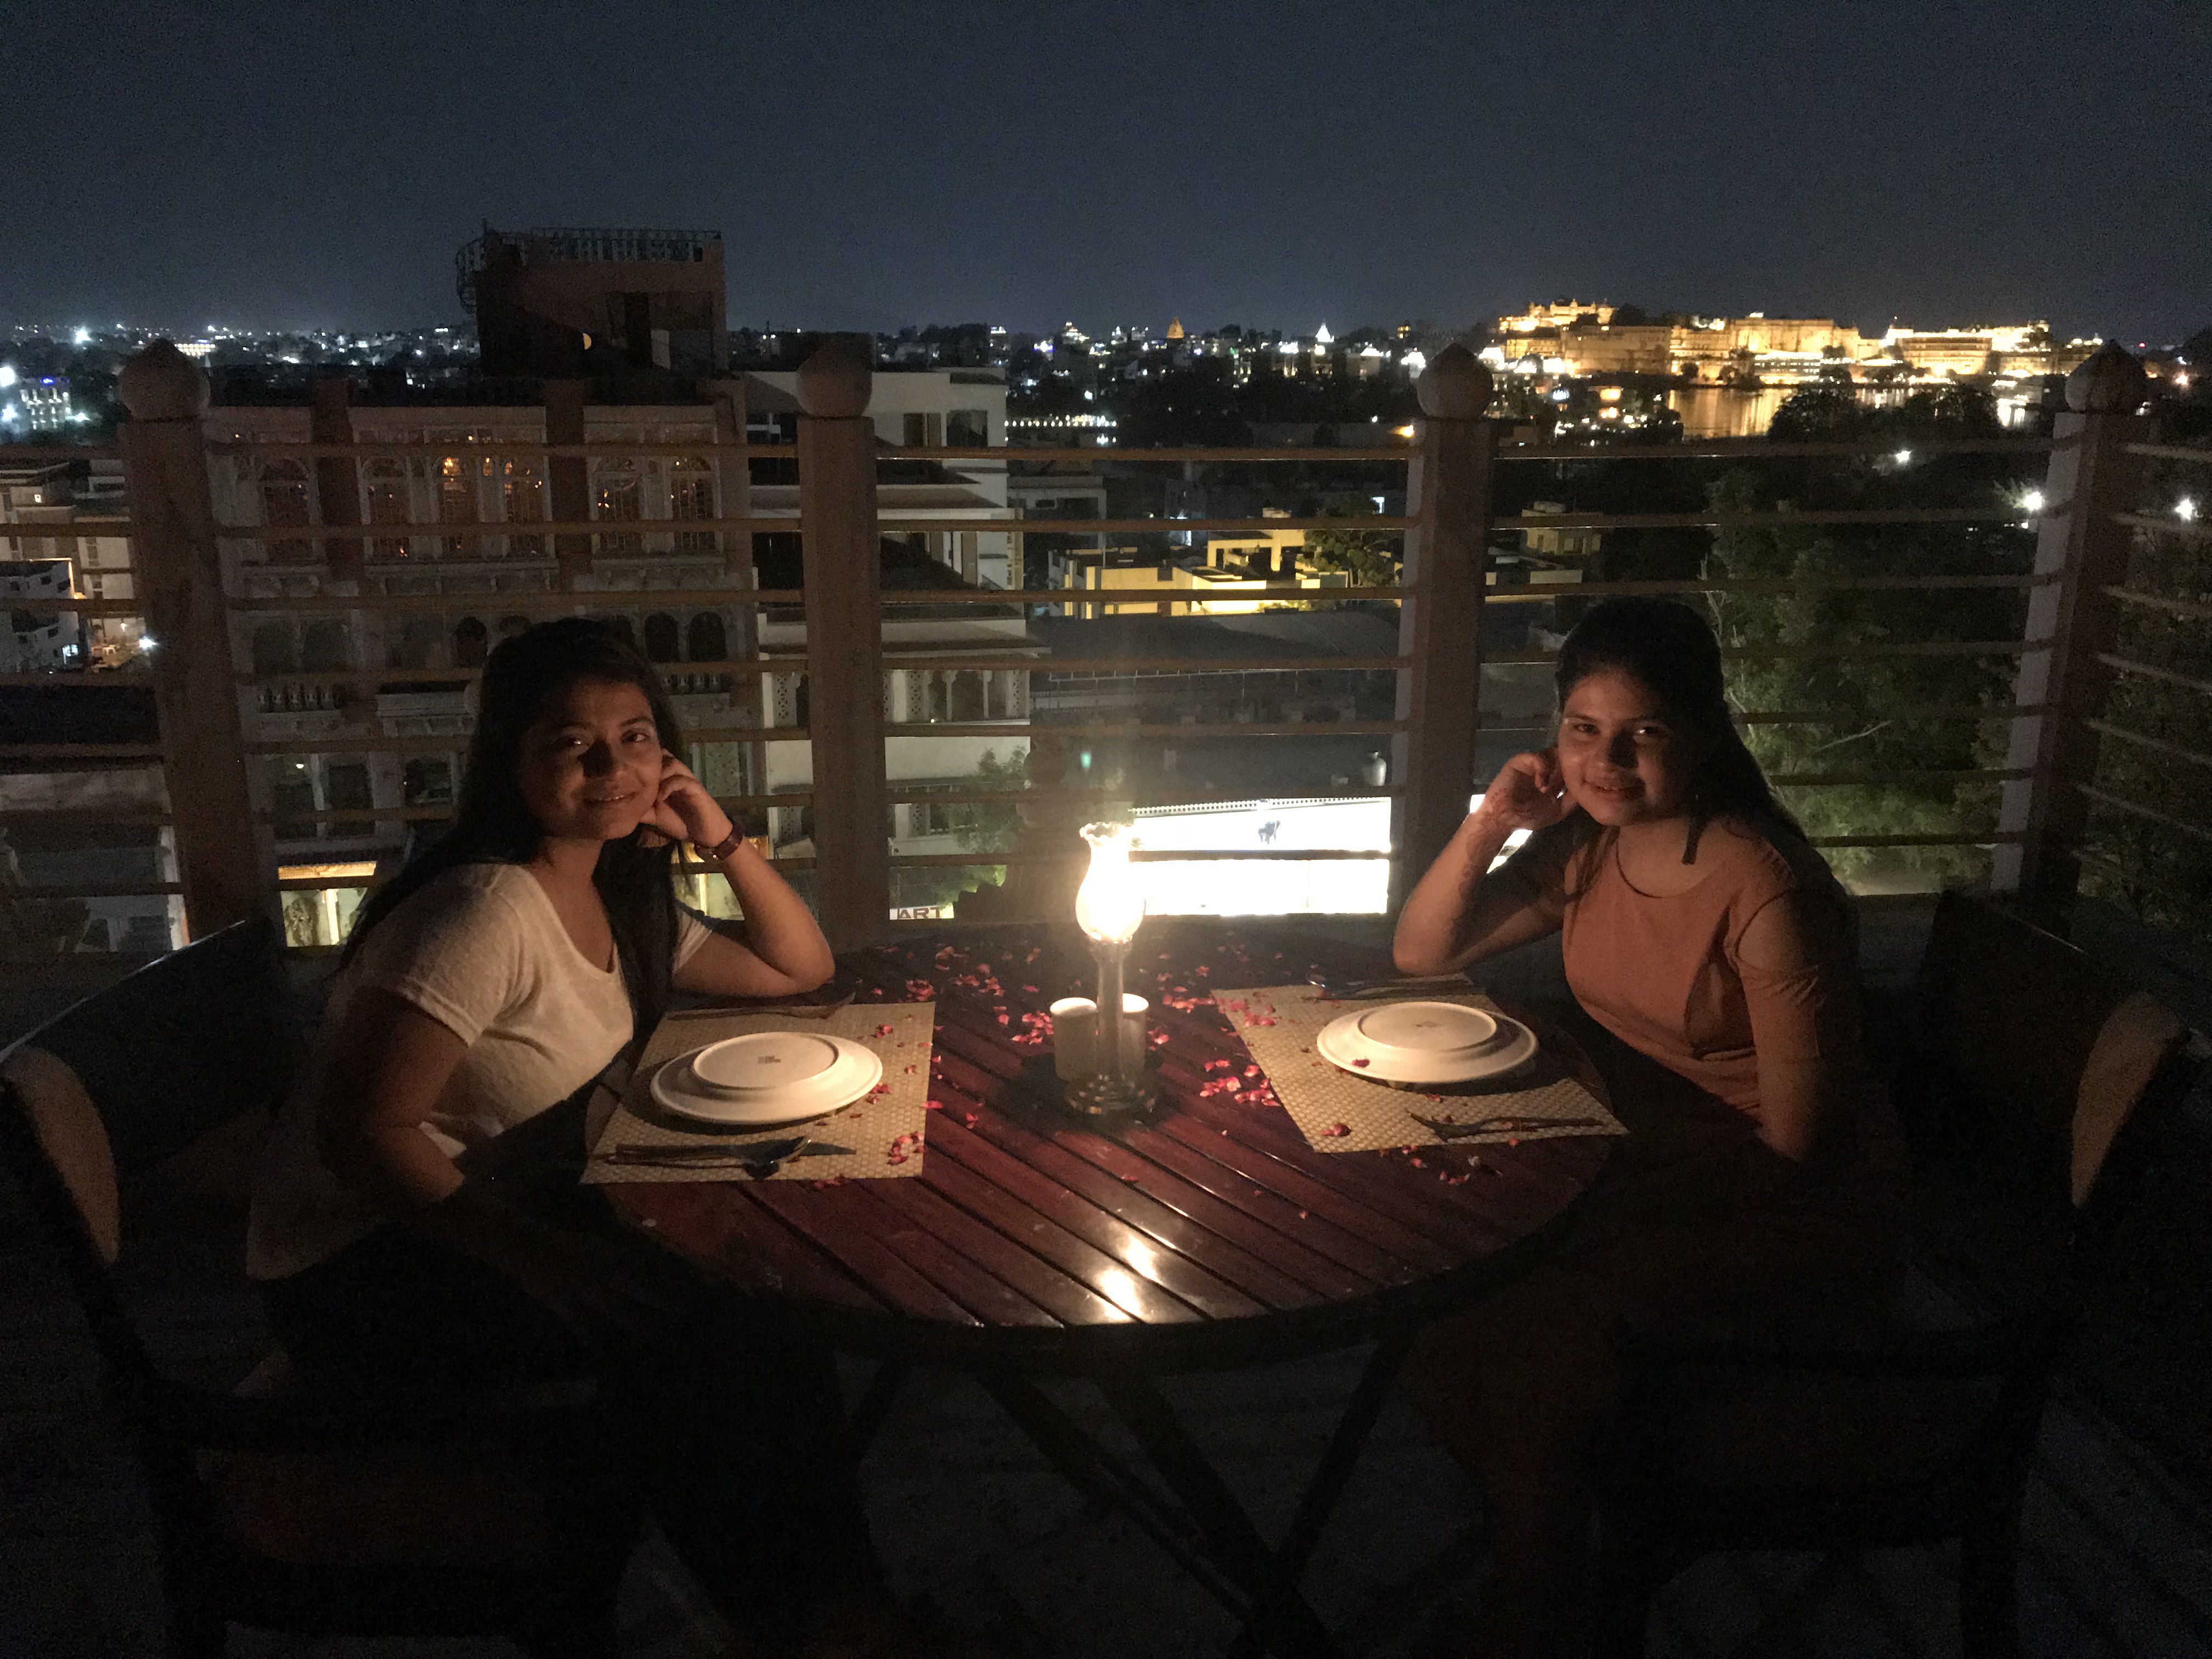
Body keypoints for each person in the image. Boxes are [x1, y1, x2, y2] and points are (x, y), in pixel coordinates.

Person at [247, 618, 873, 1649]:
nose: (611, 768)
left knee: (765, 1312)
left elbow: (798, 967)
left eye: (635, 738)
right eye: (571, 744)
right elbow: (363, 1136)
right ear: (510, 761)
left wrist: (719, 837)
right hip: (363, 1268)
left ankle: (833, 1612)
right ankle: (808, 1620)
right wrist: (536, 1257)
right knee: (706, 1347)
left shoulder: (614, 892)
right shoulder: (486, 909)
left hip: (490, 1217)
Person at [1391, 598, 1905, 1659]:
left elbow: (1798, 1146)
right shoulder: (1592, 848)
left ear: (1704, 734)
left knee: (1537, 1321)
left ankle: (1539, 1615)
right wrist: (1491, 822)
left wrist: (1594, 1192)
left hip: (1790, 1200)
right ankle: (1548, 1541)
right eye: (1584, 730)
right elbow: (1424, 951)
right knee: (1451, 1286)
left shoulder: (1765, 887)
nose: (1608, 760)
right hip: (1654, 1154)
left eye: (1644, 732)